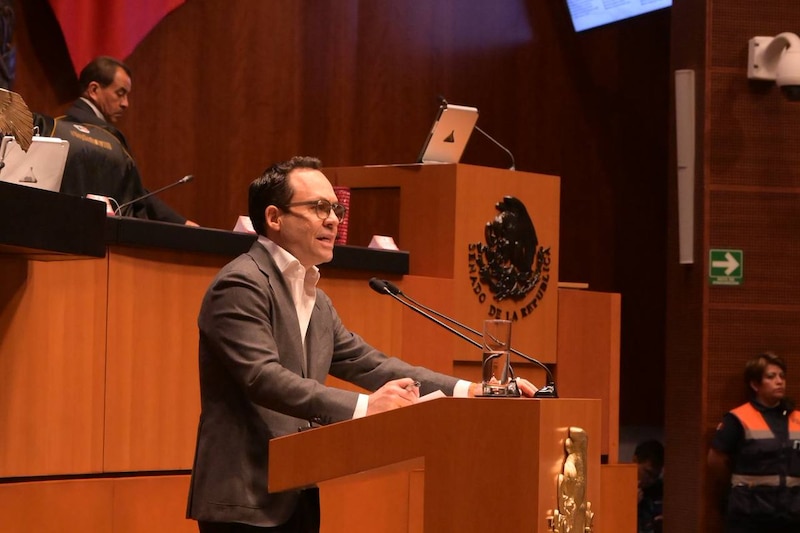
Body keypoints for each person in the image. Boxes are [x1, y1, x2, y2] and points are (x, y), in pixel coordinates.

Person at [185, 156, 538, 532]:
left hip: (297, 487)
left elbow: (371, 364)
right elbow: (263, 377)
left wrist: (470, 391)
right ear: (274, 217)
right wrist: (367, 406)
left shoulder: (316, 299)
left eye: (335, 208)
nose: (334, 219)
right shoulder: (240, 284)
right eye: (318, 207)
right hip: (243, 496)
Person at [35, 56, 197, 225]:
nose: (125, 103)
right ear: (94, 90)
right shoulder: (111, 139)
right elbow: (136, 196)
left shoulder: (54, 127)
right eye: (120, 94)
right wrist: (181, 223)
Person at [708, 352, 800, 533]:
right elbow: (716, 461)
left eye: (782, 376)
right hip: (750, 514)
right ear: (755, 384)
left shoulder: (797, 418)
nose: (779, 381)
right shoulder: (739, 418)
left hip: (791, 514)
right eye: (771, 377)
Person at [633, 439, 663, 533]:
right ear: (635, 461)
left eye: (655, 476)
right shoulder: (616, 484)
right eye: (648, 473)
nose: (651, 480)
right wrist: (630, 504)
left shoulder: (660, 489)